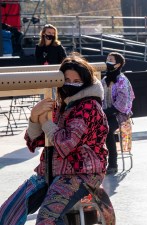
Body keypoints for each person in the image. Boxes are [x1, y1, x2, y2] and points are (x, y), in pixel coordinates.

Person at [1, 56, 115, 224]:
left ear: (86, 82)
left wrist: (45, 122)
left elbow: (65, 144)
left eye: (77, 80)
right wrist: (34, 117)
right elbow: (35, 141)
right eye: (67, 80)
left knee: (48, 218)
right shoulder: (64, 105)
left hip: (81, 173)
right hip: (52, 171)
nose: (71, 84)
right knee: (7, 213)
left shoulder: (89, 106)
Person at [101, 52, 135, 174]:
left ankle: (113, 163)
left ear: (118, 64)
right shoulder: (104, 79)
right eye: (107, 59)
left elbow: (123, 102)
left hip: (119, 116)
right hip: (105, 114)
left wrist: (106, 112)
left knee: (107, 129)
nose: (107, 61)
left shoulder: (122, 80)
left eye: (111, 60)